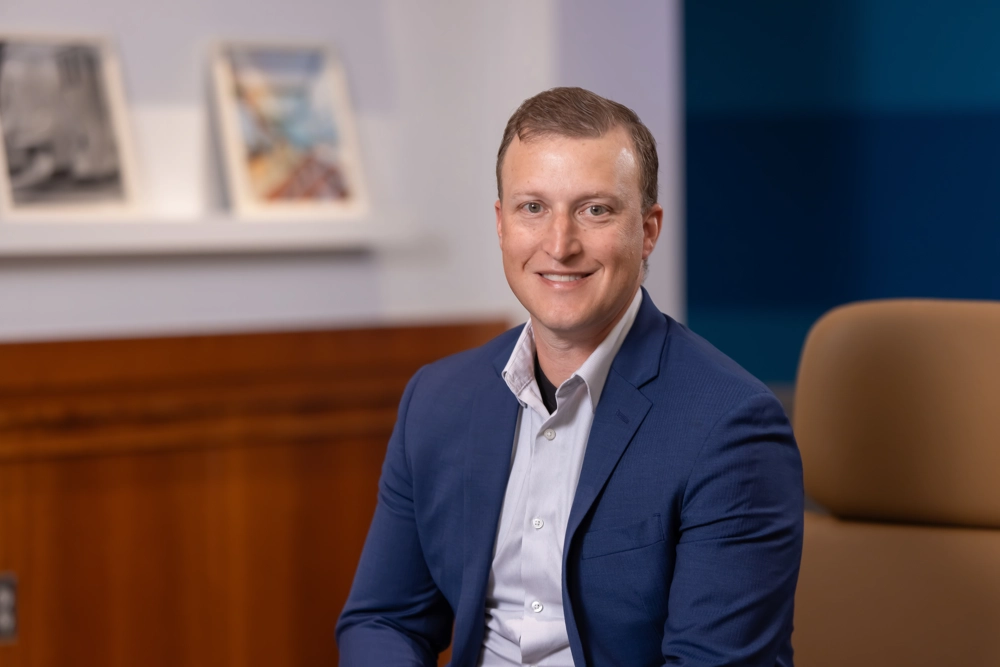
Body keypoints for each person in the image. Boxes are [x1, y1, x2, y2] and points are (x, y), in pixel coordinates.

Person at [337, 87, 804, 666]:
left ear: (648, 230)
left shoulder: (730, 425)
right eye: (533, 208)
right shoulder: (437, 399)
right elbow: (383, 619)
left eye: (595, 210)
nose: (560, 245)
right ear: (502, 224)